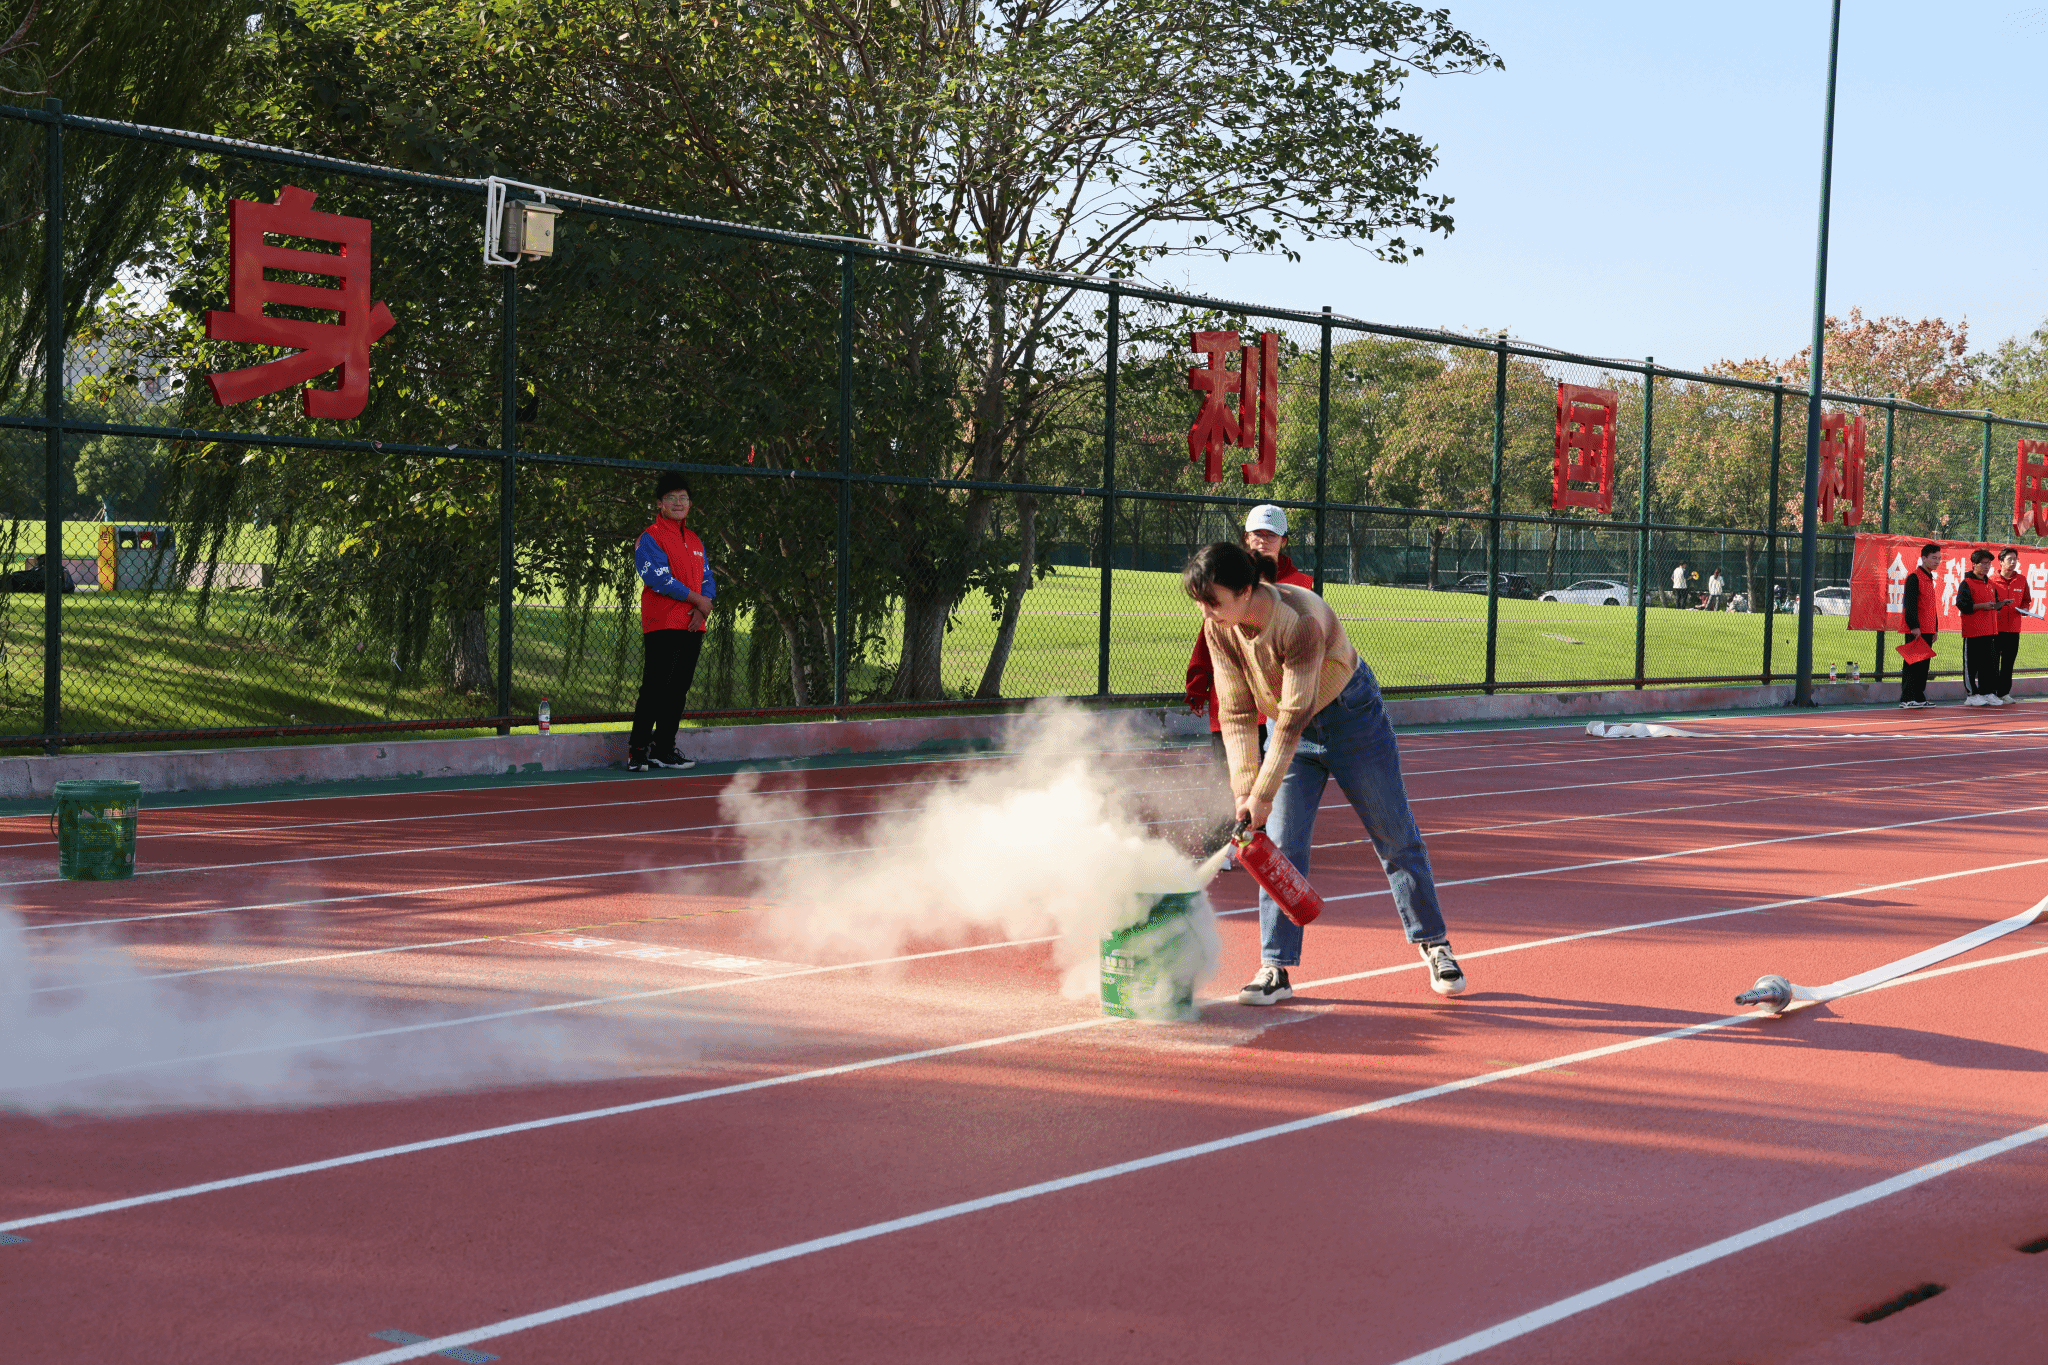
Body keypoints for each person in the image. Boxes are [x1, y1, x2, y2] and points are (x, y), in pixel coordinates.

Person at [1184, 540, 1465, 1005]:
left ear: (1245, 590)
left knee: (1395, 836)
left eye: (1212, 601)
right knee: (1279, 848)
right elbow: (1235, 712)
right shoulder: (1220, 628)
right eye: (1199, 602)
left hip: (1351, 720)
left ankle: (1435, 944)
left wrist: (1263, 793)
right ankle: (1275, 967)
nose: (1205, 612)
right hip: (1288, 730)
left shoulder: (1299, 618)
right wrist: (1245, 792)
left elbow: (1295, 712)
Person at [1185, 506, 1312, 864]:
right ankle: (1218, 845)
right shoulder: (1224, 578)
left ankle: (1260, 845)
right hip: (1234, 691)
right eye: (1257, 534)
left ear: (1284, 541)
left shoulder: (1300, 585)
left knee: (1272, 774)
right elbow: (1212, 630)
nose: (1263, 541)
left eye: (1271, 535)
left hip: (1276, 696)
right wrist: (1200, 677)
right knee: (1227, 771)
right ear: (1245, 538)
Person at [628, 472, 715, 771]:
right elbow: (658, 578)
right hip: (663, 623)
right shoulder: (650, 537)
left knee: (678, 690)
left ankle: (663, 749)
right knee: (655, 687)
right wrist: (698, 600)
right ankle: (638, 750)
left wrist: (702, 609)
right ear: (660, 503)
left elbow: (707, 579)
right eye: (671, 498)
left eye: (683, 498)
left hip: (693, 624)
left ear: (690, 503)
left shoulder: (695, 540)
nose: (678, 503)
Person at [1956, 548, 2006, 708]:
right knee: (1971, 665)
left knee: (1988, 665)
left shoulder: (1990, 584)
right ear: (1974, 564)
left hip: (1990, 632)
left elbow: (1994, 603)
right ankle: (1971, 694)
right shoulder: (1967, 583)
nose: (1987, 566)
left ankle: (1987, 692)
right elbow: (1962, 605)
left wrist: (1999, 605)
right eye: (1983, 563)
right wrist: (1981, 606)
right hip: (1973, 632)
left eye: (1989, 563)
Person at [1898, 543, 1942, 709]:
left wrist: (1935, 628)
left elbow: (1931, 607)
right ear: (1923, 558)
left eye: (1939, 558)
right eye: (1934, 558)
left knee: (1923, 666)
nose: (1937, 561)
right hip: (1916, 630)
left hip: (1928, 629)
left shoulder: (1929, 578)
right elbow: (1910, 604)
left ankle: (1918, 696)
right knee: (1913, 664)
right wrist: (1914, 626)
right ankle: (1907, 698)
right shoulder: (1914, 578)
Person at [1992, 546, 2033, 705]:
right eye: (2010, 559)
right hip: (1995, 628)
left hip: (2014, 629)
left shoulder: (2021, 580)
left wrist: (2025, 609)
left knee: (2008, 663)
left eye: (2015, 559)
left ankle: (2004, 693)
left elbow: (2026, 599)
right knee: (1992, 662)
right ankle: (1991, 692)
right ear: (2001, 561)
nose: (2013, 562)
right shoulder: (1992, 580)